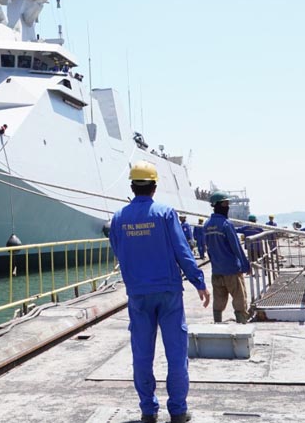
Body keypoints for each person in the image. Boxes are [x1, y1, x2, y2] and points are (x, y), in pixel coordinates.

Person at [108, 161, 209, 423]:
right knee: (176, 354)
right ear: (154, 186)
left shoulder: (118, 218)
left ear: (132, 186)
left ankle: (148, 411)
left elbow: (119, 251)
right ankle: (178, 411)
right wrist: (198, 281)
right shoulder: (165, 213)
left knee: (142, 355)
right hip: (168, 292)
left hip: (138, 294)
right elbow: (182, 250)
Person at [203, 191, 251, 323]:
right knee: (239, 299)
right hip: (232, 270)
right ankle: (242, 323)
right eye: (226, 203)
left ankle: (217, 323)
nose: (228, 206)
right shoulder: (226, 224)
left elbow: (208, 248)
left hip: (217, 271)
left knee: (218, 300)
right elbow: (236, 247)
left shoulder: (207, 225)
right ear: (218, 205)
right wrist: (245, 265)